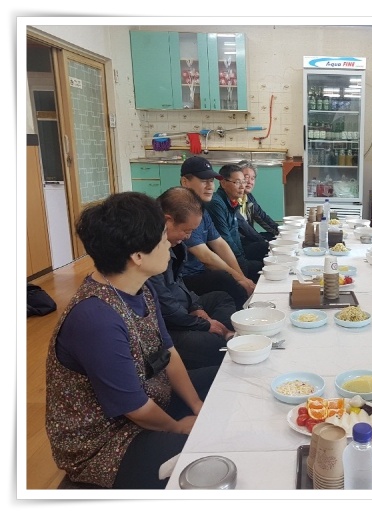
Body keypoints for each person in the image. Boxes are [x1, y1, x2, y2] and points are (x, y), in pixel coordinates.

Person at [45, 192, 218, 489]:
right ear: (137, 256)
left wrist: (196, 404)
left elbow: (168, 351)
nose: (170, 244)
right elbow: (134, 407)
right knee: (209, 454)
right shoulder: (95, 318)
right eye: (162, 239)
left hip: (152, 398)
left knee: (225, 379)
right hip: (108, 441)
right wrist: (178, 428)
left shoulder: (141, 288)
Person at [149, 187, 237, 370]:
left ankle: (221, 332)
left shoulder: (175, 245)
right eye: (186, 231)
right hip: (170, 325)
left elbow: (178, 282)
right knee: (216, 346)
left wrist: (196, 307)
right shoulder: (151, 251)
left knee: (222, 298)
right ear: (167, 221)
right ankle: (219, 337)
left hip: (183, 311)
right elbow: (165, 306)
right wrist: (202, 324)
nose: (188, 237)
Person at [178, 156, 255, 309]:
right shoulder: (182, 209)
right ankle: (245, 316)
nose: (210, 186)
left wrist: (242, 277)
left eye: (211, 181)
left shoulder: (201, 208)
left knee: (240, 278)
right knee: (225, 279)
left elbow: (219, 243)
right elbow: (205, 256)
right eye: (203, 181)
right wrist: (239, 279)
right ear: (185, 182)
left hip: (201, 270)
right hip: (185, 279)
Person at [207, 163, 266, 282]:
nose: (242, 186)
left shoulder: (232, 201)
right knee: (261, 265)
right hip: (225, 259)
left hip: (237, 253)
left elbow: (262, 217)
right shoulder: (216, 203)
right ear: (223, 183)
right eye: (237, 182)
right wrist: (241, 262)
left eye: (243, 182)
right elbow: (225, 238)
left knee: (263, 257)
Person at [238, 159, 279, 241]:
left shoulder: (248, 197)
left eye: (252, 178)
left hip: (250, 237)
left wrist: (281, 232)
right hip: (240, 241)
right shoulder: (231, 200)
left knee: (274, 237)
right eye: (246, 177)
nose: (250, 182)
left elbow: (262, 217)